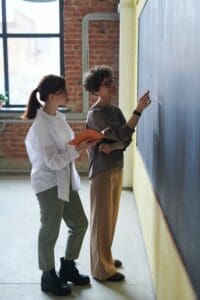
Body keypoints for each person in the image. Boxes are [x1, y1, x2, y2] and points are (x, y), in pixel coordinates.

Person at [22, 74, 90, 296]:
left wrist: (81, 143)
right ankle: (48, 276)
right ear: (51, 96)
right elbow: (52, 162)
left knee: (79, 223)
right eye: (63, 91)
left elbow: (67, 145)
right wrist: (78, 150)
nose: (67, 94)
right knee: (50, 230)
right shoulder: (41, 126)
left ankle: (68, 267)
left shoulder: (58, 117)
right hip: (49, 183)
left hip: (65, 179)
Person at [83, 65, 151, 282]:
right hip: (102, 171)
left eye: (112, 80)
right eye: (107, 83)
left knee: (110, 218)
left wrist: (116, 145)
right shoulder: (96, 114)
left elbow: (125, 139)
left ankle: (106, 257)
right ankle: (101, 269)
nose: (112, 85)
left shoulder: (115, 110)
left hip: (116, 166)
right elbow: (122, 133)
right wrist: (138, 111)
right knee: (100, 221)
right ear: (96, 89)